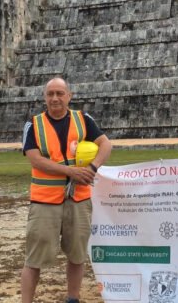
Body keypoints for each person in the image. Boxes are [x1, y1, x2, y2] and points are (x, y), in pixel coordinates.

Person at [21, 78, 112, 303]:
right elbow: (35, 160)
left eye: (60, 93)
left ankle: (73, 298)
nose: (55, 98)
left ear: (69, 96)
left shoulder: (83, 120)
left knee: (77, 255)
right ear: (45, 97)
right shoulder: (34, 124)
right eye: (50, 94)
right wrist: (71, 172)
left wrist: (92, 168)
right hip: (44, 202)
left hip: (78, 200)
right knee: (34, 259)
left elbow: (106, 144)